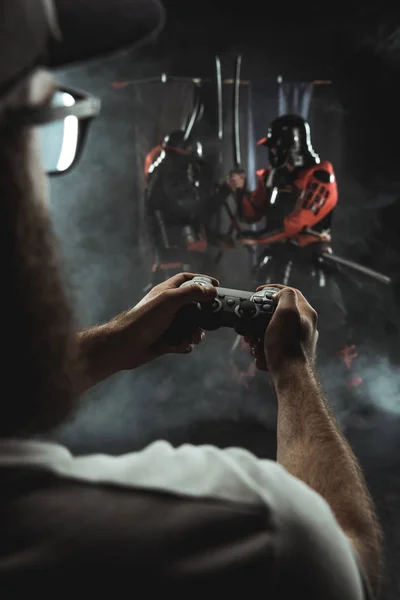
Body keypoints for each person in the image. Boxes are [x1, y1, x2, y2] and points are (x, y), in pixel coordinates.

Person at [0, 0, 382, 596]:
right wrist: (293, 372)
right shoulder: (264, 535)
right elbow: (347, 556)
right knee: (296, 329)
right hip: (274, 255)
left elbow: (290, 221)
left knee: (328, 315)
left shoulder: (316, 176)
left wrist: (117, 340)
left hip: (305, 259)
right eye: (43, 120)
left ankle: (352, 383)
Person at [228, 114, 362, 394]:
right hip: (277, 262)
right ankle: (246, 386)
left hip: (311, 262)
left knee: (332, 324)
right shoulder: (275, 175)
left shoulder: (320, 176)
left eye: (275, 147)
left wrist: (254, 239)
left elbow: (295, 224)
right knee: (257, 319)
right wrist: (240, 192)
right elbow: (252, 213)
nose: (272, 153)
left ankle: (352, 388)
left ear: (291, 145)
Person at [145, 129, 217, 284]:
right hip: (178, 256)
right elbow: (192, 207)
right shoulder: (171, 173)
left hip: (173, 255)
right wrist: (219, 190)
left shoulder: (161, 170)